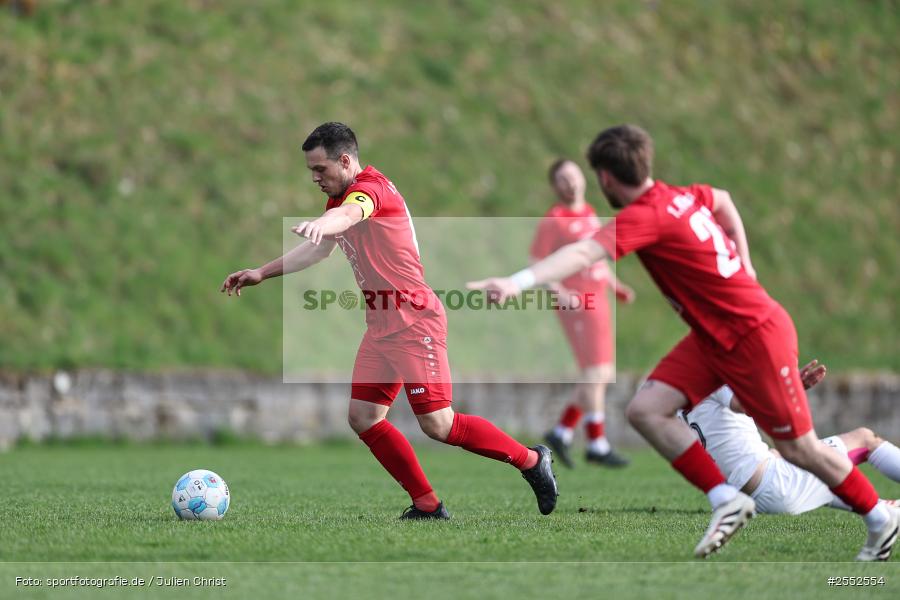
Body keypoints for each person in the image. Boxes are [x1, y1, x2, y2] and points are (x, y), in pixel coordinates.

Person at [467, 124, 898, 560]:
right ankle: (727, 500)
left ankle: (881, 519)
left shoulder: (645, 215)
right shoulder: (681, 196)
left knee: (799, 449)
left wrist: (517, 282)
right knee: (645, 410)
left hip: (752, 334)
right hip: (713, 337)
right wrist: (744, 262)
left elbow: (583, 253)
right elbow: (725, 200)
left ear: (605, 179)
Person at [221, 122, 558, 520]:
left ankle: (531, 462)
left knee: (439, 424)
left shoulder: (371, 190)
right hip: (382, 327)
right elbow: (318, 251)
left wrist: (322, 223)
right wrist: (262, 271)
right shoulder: (339, 198)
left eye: (320, 169)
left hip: (415, 322)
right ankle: (428, 505)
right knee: (363, 417)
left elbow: (351, 215)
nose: (315, 178)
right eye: (311, 171)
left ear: (345, 161)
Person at [685, 360, 900, 515]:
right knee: (864, 439)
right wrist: (788, 388)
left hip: (736, 499)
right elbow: (746, 405)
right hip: (772, 487)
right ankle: (883, 510)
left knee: (810, 468)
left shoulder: (681, 393)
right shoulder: (714, 373)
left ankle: (885, 509)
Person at [532, 159, 635, 468]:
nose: (571, 183)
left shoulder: (589, 212)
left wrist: (614, 284)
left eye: (574, 176)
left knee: (599, 374)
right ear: (555, 186)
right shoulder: (555, 219)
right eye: (563, 179)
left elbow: (596, 260)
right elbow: (537, 260)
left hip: (598, 299)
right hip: (578, 304)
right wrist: (559, 292)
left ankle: (563, 432)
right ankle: (596, 443)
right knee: (596, 372)